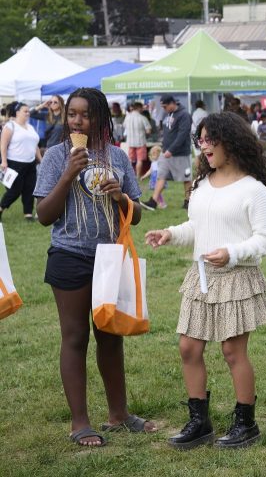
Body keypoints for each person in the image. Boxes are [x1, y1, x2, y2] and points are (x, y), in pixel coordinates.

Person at [145, 111, 266, 450]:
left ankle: (246, 423)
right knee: (188, 347)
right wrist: (169, 234)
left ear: (229, 141)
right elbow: (197, 228)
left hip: (237, 277)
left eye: (209, 139)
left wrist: (232, 253)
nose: (204, 146)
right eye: (200, 140)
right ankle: (199, 422)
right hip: (201, 276)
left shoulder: (253, 189)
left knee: (233, 351)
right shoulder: (201, 186)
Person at [34, 87, 155, 447]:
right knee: (75, 336)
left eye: (85, 114)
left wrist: (120, 196)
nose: (77, 120)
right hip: (70, 255)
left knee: (110, 335)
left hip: (109, 258)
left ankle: (119, 414)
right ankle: (79, 423)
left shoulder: (117, 157)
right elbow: (43, 215)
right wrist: (69, 174)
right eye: (72, 113)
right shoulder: (57, 157)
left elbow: (133, 216)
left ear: (100, 118)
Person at [143, 95, 192, 210]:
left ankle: (188, 201)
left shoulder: (184, 115)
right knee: (161, 175)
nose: (164, 109)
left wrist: (172, 149)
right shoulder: (167, 114)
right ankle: (153, 202)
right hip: (165, 152)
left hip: (180, 153)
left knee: (186, 178)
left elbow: (183, 134)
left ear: (172, 103)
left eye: (165, 106)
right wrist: (165, 147)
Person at [0, 102, 42, 221]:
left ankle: (28, 214)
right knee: (15, 190)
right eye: (25, 111)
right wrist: (4, 161)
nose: (28, 113)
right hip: (14, 163)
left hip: (30, 163)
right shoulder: (10, 126)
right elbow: (3, 145)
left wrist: (41, 160)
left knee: (30, 189)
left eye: (29, 111)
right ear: (17, 112)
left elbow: (35, 146)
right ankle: (1, 207)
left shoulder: (30, 127)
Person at [124, 102, 151, 178]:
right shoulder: (142, 118)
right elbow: (148, 130)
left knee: (130, 160)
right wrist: (147, 134)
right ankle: (138, 176)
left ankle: (130, 176)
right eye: (141, 107)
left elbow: (124, 126)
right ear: (138, 108)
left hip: (130, 142)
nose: (142, 109)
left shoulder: (127, 117)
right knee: (140, 159)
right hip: (140, 141)